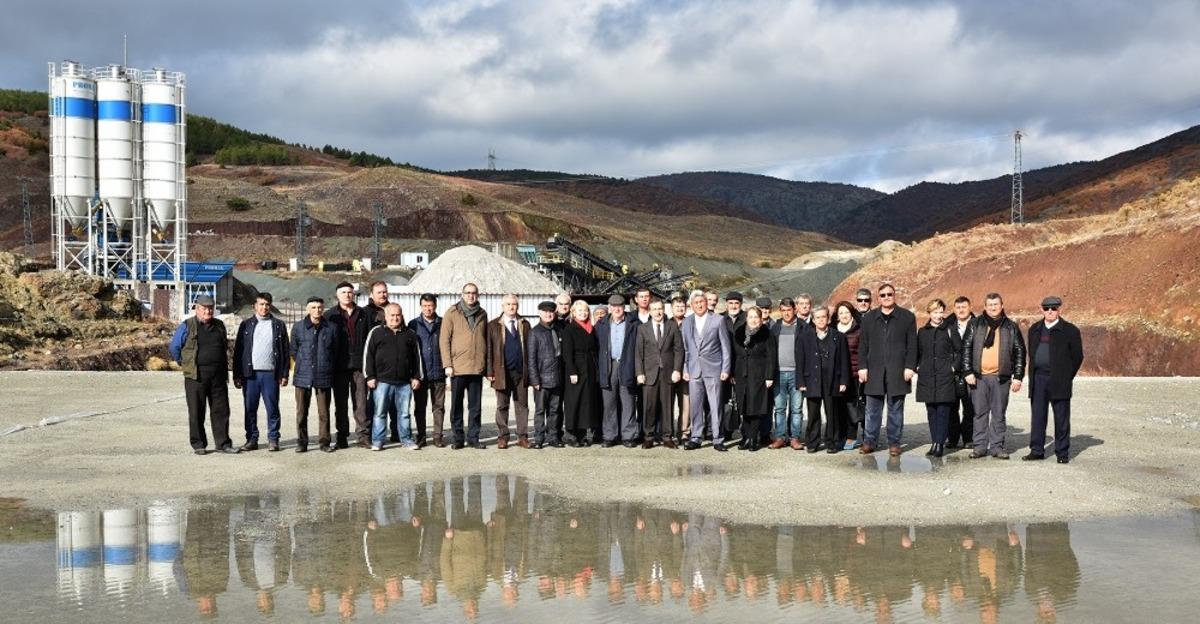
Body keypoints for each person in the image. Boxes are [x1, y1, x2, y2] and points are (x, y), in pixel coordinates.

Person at [169, 295, 237, 455]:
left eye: (211, 308)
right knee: (196, 411)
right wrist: (184, 363)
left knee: (221, 411)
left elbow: (224, 346)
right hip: (196, 377)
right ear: (197, 309)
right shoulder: (187, 325)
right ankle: (199, 444)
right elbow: (174, 347)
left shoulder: (220, 325)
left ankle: (223, 444)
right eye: (204, 308)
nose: (208, 311)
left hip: (218, 377)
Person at [961, 292, 1026, 460]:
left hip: (1001, 378)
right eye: (990, 305)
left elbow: (1020, 351)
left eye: (996, 304)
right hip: (978, 377)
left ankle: (997, 447)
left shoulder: (1010, 326)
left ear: (1002, 306)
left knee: (998, 413)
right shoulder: (975, 324)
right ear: (984, 307)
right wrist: (967, 371)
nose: (993, 307)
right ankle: (980, 447)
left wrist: (1018, 376)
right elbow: (966, 348)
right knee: (979, 413)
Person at [857, 283, 917, 456]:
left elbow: (912, 345)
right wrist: (862, 367)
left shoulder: (906, 317)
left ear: (894, 295)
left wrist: (909, 367)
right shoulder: (869, 319)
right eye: (883, 295)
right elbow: (863, 346)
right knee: (872, 411)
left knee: (895, 410)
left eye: (889, 294)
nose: (886, 297)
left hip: (897, 371)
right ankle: (869, 441)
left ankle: (894, 443)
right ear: (878, 297)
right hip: (874, 371)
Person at [1023, 296, 1083, 464]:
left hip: (1059, 381)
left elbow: (1077, 357)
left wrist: (1066, 375)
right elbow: (1032, 354)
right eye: (1047, 308)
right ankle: (1036, 450)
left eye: (1054, 308)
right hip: (1039, 379)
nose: (1050, 311)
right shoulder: (1034, 329)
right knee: (1038, 417)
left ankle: (1062, 453)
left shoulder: (1070, 330)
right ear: (1041, 309)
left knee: (1061, 418)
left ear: (1059, 310)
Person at [232, 292, 289, 452]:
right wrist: (237, 374)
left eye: (267, 304)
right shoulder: (246, 325)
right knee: (250, 408)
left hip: (270, 374)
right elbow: (239, 351)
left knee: (272, 408)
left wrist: (284, 374)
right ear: (254, 306)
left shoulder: (278, 325)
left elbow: (284, 351)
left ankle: (273, 438)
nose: (264, 307)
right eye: (261, 304)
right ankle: (251, 439)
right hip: (250, 375)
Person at [364, 303, 422, 451]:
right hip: (382, 382)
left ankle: (407, 440)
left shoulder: (410, 334)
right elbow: (368, 356)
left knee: (404, 414)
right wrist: (370, 376)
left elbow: (417, 357)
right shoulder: (376, 332)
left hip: (404, 383)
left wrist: (416, 376)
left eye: (398, 315)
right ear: (386, 316)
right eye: (392, 315)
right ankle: (378, 441)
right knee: (379, 413)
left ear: (401, 316)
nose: (395, 318)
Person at [681, 291, 732, 451]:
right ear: (691, 305)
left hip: (714, 369)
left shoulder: (718, 320)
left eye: (701, 302)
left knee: (716, 405)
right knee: (695, 405)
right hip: (694, 369)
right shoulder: (687, 322)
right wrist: (685, 368)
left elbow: (725, 347)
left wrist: (725, 368)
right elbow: (685, 348)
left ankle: (718, 439)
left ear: (706, 303)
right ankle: (696, 437)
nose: (699, 305)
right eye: (696, 303)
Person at [796, 307, 850, 453]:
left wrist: (844, 381)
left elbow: (845, 361)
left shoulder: (839, 337)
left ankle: (831, 442)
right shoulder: (804, 336)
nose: (821, 320)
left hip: (832, 379)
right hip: (812, 379)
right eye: (817, 317)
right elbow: (800, 360)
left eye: (823, 317)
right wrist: (800, 382)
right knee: (813, 413)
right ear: (813, 320)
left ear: (828, 319)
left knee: (832, 413)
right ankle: (812, 442)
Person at [326, 281, 370, 449]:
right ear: (337, 295)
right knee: (341, 404)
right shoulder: (331, 315)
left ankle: (363, 436)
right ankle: (342, 437)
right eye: (343, 292)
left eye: (350, 292)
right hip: (339, 367)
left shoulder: (363, 314)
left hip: (359, 366)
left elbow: (368, 340)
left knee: (361, 404)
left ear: (354, 294)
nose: (347, 295)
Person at [290, 296, 337, 453]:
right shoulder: (298, 327)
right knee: (302, 412)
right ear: (307, 309)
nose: (317, 310)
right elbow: (294, 350)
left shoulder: (331, 328)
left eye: (319, 307)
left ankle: (324, 442)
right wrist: (303, 363)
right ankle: (302, 442)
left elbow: (335, 351)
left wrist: (327, 365)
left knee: (324, 413)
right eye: (313, 307)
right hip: (303, 376)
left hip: (323, 376)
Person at [635, 298, 683, 448]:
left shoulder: (672, 326)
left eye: (660, 309)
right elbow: (638, 353)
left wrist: (677, 370)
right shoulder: (643, 328)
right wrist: (639, 373)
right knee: (649, 406)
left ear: (664, 310)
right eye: (654, 309)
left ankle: (667, 437)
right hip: (649, 374)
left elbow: (679, 350)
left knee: (667, 406)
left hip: (668, 373)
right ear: (650, 311)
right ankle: (648, 437)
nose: (658, 312)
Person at [487, 294, 532, 449]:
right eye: (508, 304)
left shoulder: (524, 324)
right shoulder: (493, 325)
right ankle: (503, 437)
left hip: (521, 372)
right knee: (502, 405)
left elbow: (530, 349)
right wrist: (489, 371)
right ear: (502, 306)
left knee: (522, 405)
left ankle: (522, 437)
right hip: (502, 372)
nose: (512, 307)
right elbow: (489, 350)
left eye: (514, 304)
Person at [916, 299, 958, 458]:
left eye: (941, 312)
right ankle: (934, 442)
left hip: (944, 376)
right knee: (931, 411)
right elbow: (918, 352)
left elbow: (959, 351)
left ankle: (940, 443)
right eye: (935, 312)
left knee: (943, 411)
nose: (938, 315)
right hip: (926, 376)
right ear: (929, 313)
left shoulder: (950, 329)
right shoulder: (922, 331)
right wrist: (917, 366)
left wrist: (953, 367)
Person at [597, 294, 641, 447]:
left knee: (628, 401)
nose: (617, 309)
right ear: (609, 308)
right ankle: (610, 435)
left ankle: (628, 436)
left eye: (620, 306)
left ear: (624, 308)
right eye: (613, 306)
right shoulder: (601, 324)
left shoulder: (634, 324)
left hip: (627, 364)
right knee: (609, 403)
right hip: (608, 366)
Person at [731, 307, 777, 452]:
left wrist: (769, 376)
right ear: (746, 318)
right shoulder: (738, 333)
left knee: (755, 407)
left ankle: (753, 438)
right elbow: (733, 355)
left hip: (758, 375)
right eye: (750, 317)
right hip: (740, 374)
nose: (753, 320)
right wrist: (732, 373)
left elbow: (771, 357)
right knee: (743, 406)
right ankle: (745, 437)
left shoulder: (767, 334)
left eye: (756, 317)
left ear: (761, 318)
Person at [561, 299, 601, 446]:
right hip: (576, 369)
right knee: (574, 402)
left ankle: (583, 433)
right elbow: (567, 353)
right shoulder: (569, 330)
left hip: (590, 369)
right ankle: (571, 434)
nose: (583, 313)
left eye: (585, 310)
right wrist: (572, 371)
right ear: (573, 313)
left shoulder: (591, 329)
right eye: (579, 311)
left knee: (587, 403)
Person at [409, 294, 446, 448]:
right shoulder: (413, 324)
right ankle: (421, 436)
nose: (428, 309)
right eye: (425, 306)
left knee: (439, 407)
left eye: (430, 305)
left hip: (438, 373)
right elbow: (409, 350)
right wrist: (413, 374)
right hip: (421, 374)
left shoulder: (443, 323)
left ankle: (437, 437)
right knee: (420, 407)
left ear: (435, 306)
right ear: (421, 306)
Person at [527, 301, 565, 448]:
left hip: (557, 377)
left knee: (555, 410)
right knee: (540, 411)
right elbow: (531, 359)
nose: (548, 314)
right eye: (545, 312)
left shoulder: (558, 329)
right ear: (540, 314)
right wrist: (535, 380)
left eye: (551, 312)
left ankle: (553, 437)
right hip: (542, 380)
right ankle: (538, 438)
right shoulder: (535, 332)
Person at [769, 297, 805, 450]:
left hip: (797, 373)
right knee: (780, 408)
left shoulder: (803, 327)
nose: (786, 313)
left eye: (789, 310)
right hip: (779, 373)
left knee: (796, 408)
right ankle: (780, 437)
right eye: (783, 310)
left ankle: (795, 438)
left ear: (794, 310)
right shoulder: (775, 328)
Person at [834, 301, 864, 451]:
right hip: (836, 375)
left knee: (852, 406)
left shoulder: (858, 330)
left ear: (851, 313)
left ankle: (852, 436)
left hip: (854, 374)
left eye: (846, 312)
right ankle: (840, 436)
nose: (844, 315)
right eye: (841, 313)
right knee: (838, 406)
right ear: (837, 316)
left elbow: (864, 353)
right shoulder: (833, 330)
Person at [947, 296, 975, 449]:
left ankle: (968, 438)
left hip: (971, 372)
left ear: (970, 307)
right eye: (958, 307)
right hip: (952, 373)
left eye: (964, 306)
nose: (961, 310)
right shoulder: (948, 326)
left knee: (970, 408)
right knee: (952, 408)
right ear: (954, 309)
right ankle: (952, 438)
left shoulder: (978, 324)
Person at [670, 296, 691, 443]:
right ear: (671, 308)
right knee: (667, 402)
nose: (679, 309)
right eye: (677, 306)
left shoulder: (690, 323)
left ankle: (684, 432)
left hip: (687, 369)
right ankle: (668, 432)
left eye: (682, 306)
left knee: (685, 403)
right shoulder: (666, 323)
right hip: (669, 369)